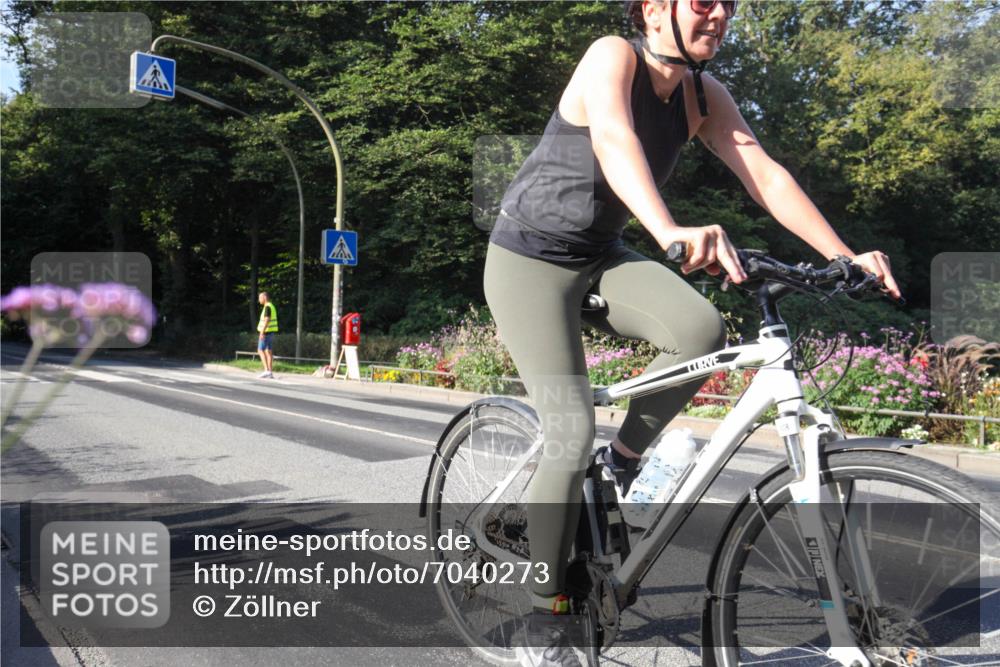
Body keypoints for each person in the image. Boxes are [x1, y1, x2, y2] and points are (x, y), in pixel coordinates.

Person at [482, 1, 900, 664]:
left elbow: (762, 172)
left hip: (598, 254)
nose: (720, 14)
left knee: (702, 328)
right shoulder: (609, 56)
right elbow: (616, 141)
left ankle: (619, 468)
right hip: (528, 259)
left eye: (728, 5)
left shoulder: (703, 97)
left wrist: (841, 253)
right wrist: (669, 231)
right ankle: (545, 616)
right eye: (703, 1)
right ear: (653, 10)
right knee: (567, 433)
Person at [256, 292, 278, 379]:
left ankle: (266, 370)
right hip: (271, 332)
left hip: (266, 332)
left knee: (260, 350)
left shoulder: (267, 307)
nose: (259, 300)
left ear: (265, 297)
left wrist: (262, 332)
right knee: (268, 352)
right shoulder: (271, 306)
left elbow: (267, 320)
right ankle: (270, 372)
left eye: (260, 298)